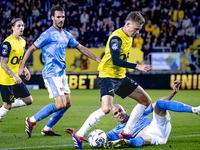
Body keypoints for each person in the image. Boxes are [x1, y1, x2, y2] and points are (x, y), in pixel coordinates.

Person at [72, 11, 151, 149]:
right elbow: (115, 60)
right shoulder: (116, 38)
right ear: (127, 24)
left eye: (139, 29)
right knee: (106, 109)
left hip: (120, 77)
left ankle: (126, 133)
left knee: (146, 100)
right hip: (108, 75)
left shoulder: (129, 36)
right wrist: (137, 66)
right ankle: (79, 135)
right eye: (136, 29)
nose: (137, 32)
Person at [18, 6, 101, 137]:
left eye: (62, 17)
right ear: (52, 18)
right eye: (58, 17)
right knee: (60, 103)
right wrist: (22, 66)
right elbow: (30, 50)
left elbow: (80, 47)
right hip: (51, 74)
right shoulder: (47, 34)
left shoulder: (66, 34)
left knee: (67, 104)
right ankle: (31, 120)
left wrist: (97, 59)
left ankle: (47, 128)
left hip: (61, 74)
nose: (61, 19)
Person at [65, 80, 200, 148]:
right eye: (116, 113)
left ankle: (195, 110)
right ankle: (123, 143)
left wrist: (173, 92)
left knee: (159, 104)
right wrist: (78, 134)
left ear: (125, 110)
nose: (119, 114)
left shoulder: (140, 114)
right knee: (134, 141)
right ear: (114, 117)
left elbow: (159, 104)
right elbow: (100, 138)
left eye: (120, 110)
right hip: (153, 137)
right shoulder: (115, 131)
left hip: (158, 126)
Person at [0, 18, 33, 122]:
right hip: (6, 79)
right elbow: (2, 62)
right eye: (18, 26)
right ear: (12, 28)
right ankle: (4, 107)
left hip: (16, 78)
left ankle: (4, 106)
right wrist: (14, 75)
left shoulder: (23, 42)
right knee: (8, 106)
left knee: (29, 100)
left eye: (22, 25)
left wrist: (25, 69)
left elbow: (19, 60)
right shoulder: (7, 43)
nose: (21, 28)